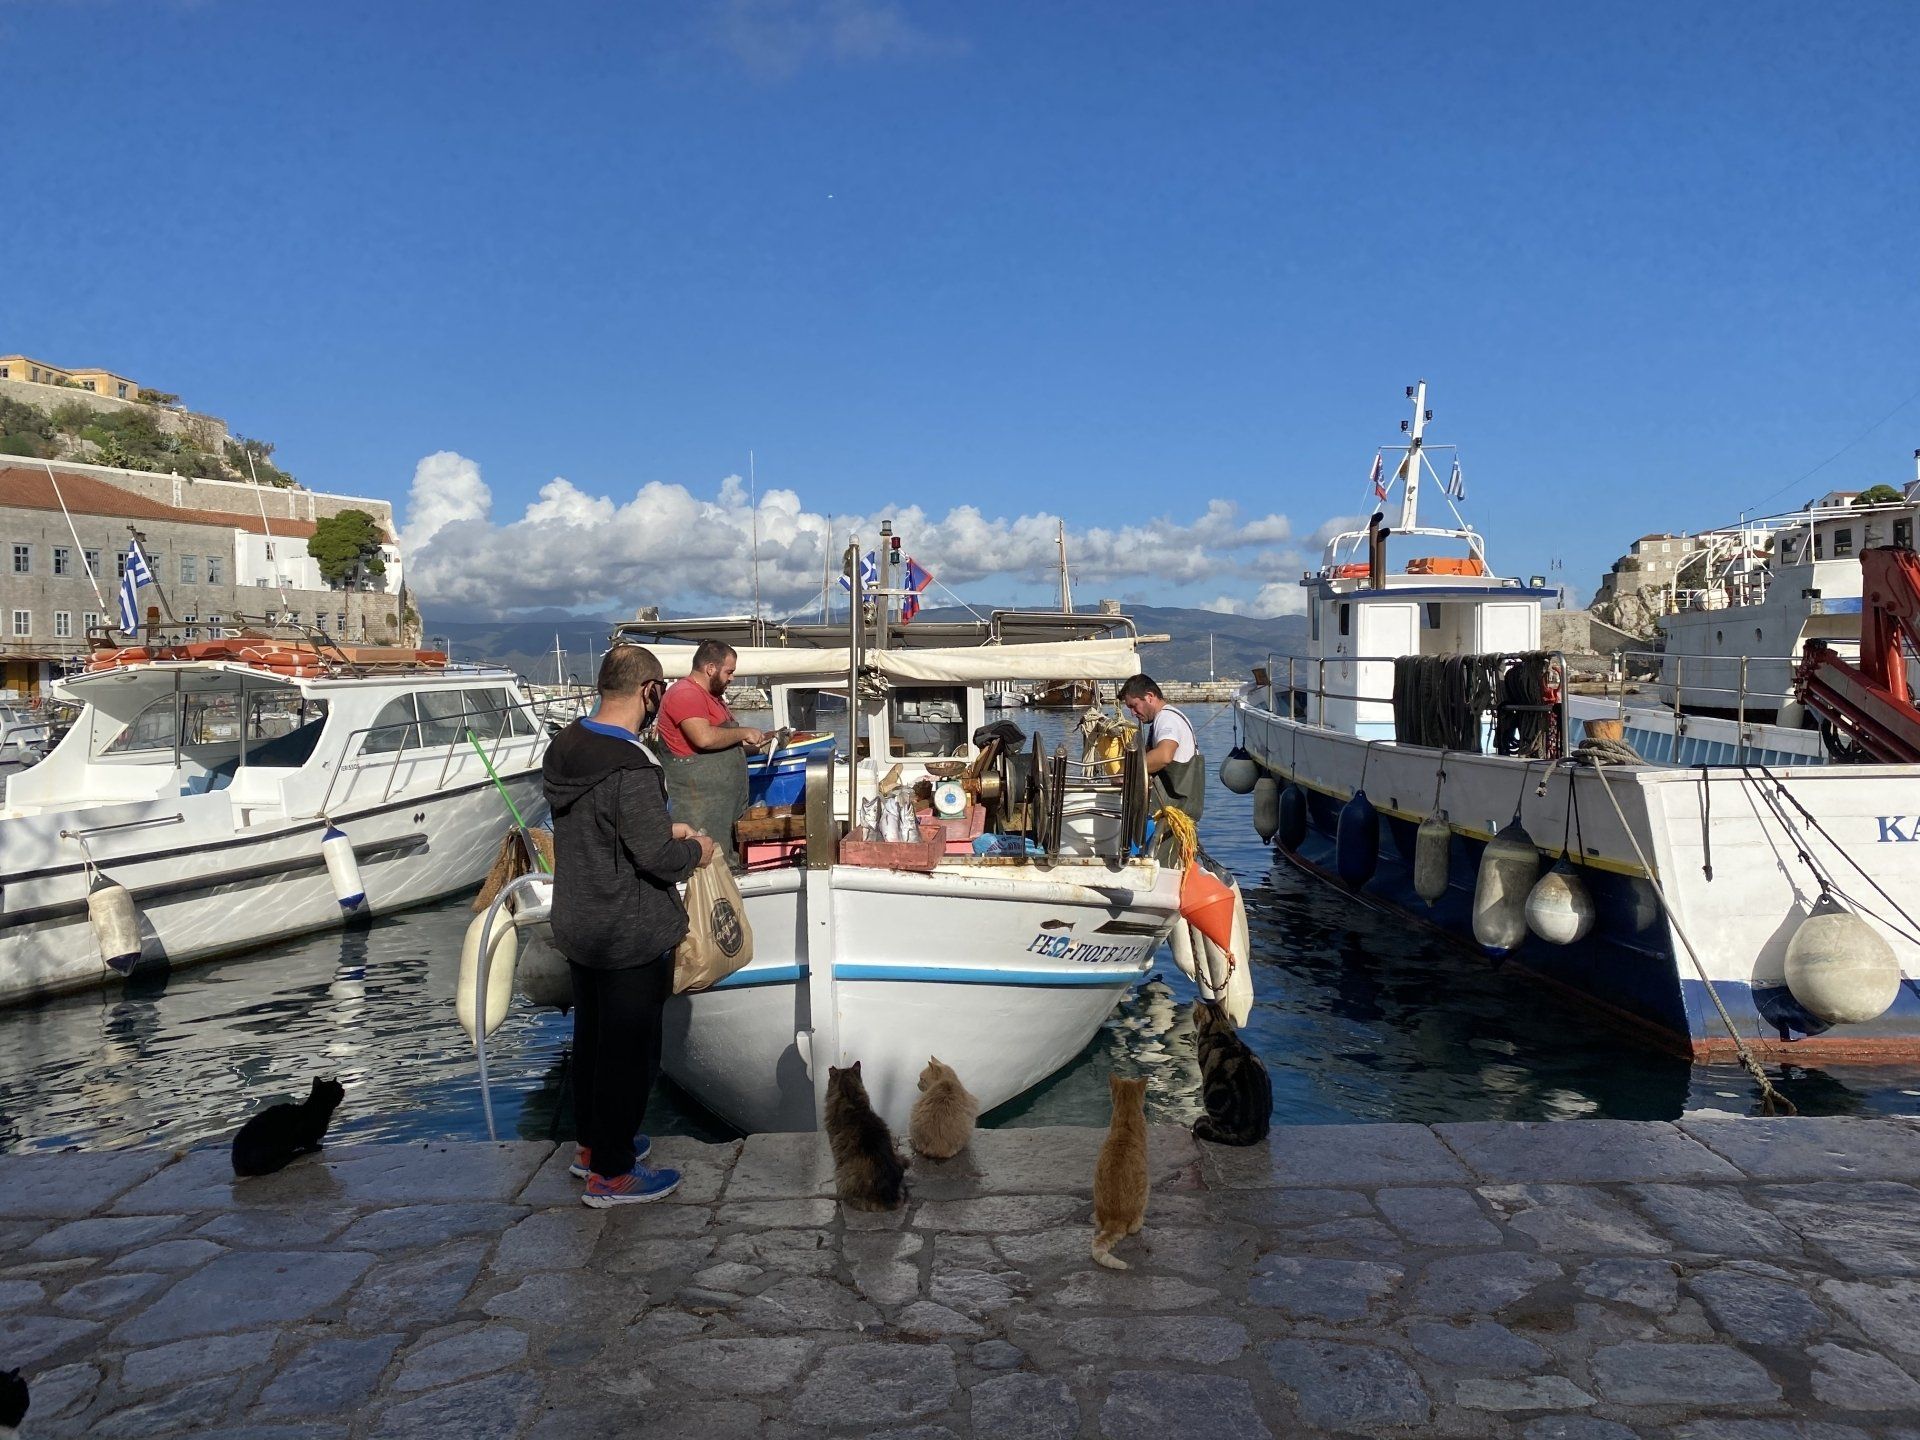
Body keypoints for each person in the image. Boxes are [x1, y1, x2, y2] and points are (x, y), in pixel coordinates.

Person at [543, 642, 713, 1207]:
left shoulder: (568, 744)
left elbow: (611, 830)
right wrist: (699, 851)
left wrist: (668, 829)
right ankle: (611, 1174)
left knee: (592, 1042)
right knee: (630, 1053)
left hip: (580, 920)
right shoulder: (630, 764)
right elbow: (657, 860)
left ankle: (593, 1146)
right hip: (628, 930)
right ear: (649, 691)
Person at [656, 640, 768, 870]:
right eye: (729, 671)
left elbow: (725, 745)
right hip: (699, 812)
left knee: (726, 865)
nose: (732, 678)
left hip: (725, 811)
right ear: (710, 668)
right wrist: (744, 732)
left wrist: (763, 742)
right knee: (705, 870)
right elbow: (704, 738)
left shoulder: (713, 698)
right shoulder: (685, 693)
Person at [1119, 673, 1205, 823]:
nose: (1133, 713)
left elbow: (1164, 756)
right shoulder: (1167, 717)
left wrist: (1127, 772)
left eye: (1134, 706)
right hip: (1176, 816)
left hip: (1174, 818)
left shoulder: (1167, 719)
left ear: (1150, 696)